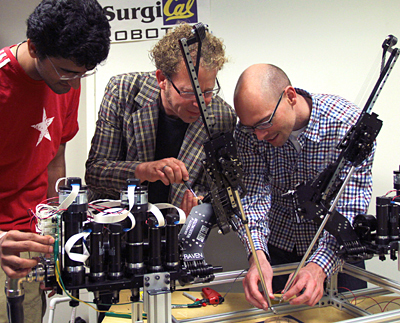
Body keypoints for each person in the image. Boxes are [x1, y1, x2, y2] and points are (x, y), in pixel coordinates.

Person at [0, 0, 110, 322]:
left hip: (34, 238)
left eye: (83, 74)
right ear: (35, 48)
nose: (75, 84)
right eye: (67, 72)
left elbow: (55, 157)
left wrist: (56, 233)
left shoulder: (64, 83)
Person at [233, 64, 374, 310]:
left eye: (264, 123)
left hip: (337, 252)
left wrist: (319, 266)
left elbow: (351, 205)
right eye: (251, 127)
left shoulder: (348, 125)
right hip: (278, 249)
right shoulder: (248, 132)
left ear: (290, 96)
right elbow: (254, 195)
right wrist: (257, 256)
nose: (258, 136)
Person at [85, 23, 237, 215]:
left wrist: (201, 201)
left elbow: (221, 189)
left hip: (176, 230)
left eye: (207, 92)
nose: (200, 103)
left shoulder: (223, 117)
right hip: (118, 224)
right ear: (162, 79)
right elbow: (95, 173)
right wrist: (143, 170)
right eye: (189, 92)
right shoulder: (123, 92)